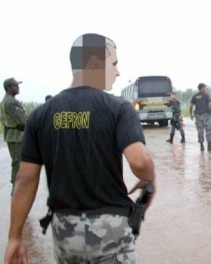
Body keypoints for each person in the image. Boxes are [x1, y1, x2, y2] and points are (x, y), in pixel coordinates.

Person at [4, 33, 156, 264]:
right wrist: (148, 180)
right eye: (113, 63)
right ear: (95, 63)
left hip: (65, 231)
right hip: (110, 230)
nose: (117, 71)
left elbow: (25, 180)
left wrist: (14, 237)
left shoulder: (41, 115)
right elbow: (140, 162)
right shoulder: (118, 108)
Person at [0, 77, 27, 196]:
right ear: (8, 88)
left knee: (18, 161)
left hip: (14, 136)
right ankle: (17, 189)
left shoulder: (6, 101)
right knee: (18, 162)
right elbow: (22, 121)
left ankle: (17, 188)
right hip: (16, 136)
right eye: (15, 85)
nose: (18, 87)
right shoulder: (11, 102)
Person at [189, 83, 211, 151]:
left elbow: (191, 105)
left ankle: (201, 146)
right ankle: (209, 146)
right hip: (206, 115)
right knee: (209, 130)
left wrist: (191, 114)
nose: (205, 88)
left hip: (198, 116)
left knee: (200, 131)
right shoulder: (206, 95)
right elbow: (210, 104)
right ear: (201, 88)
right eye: (204, 87)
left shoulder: (195, 96)